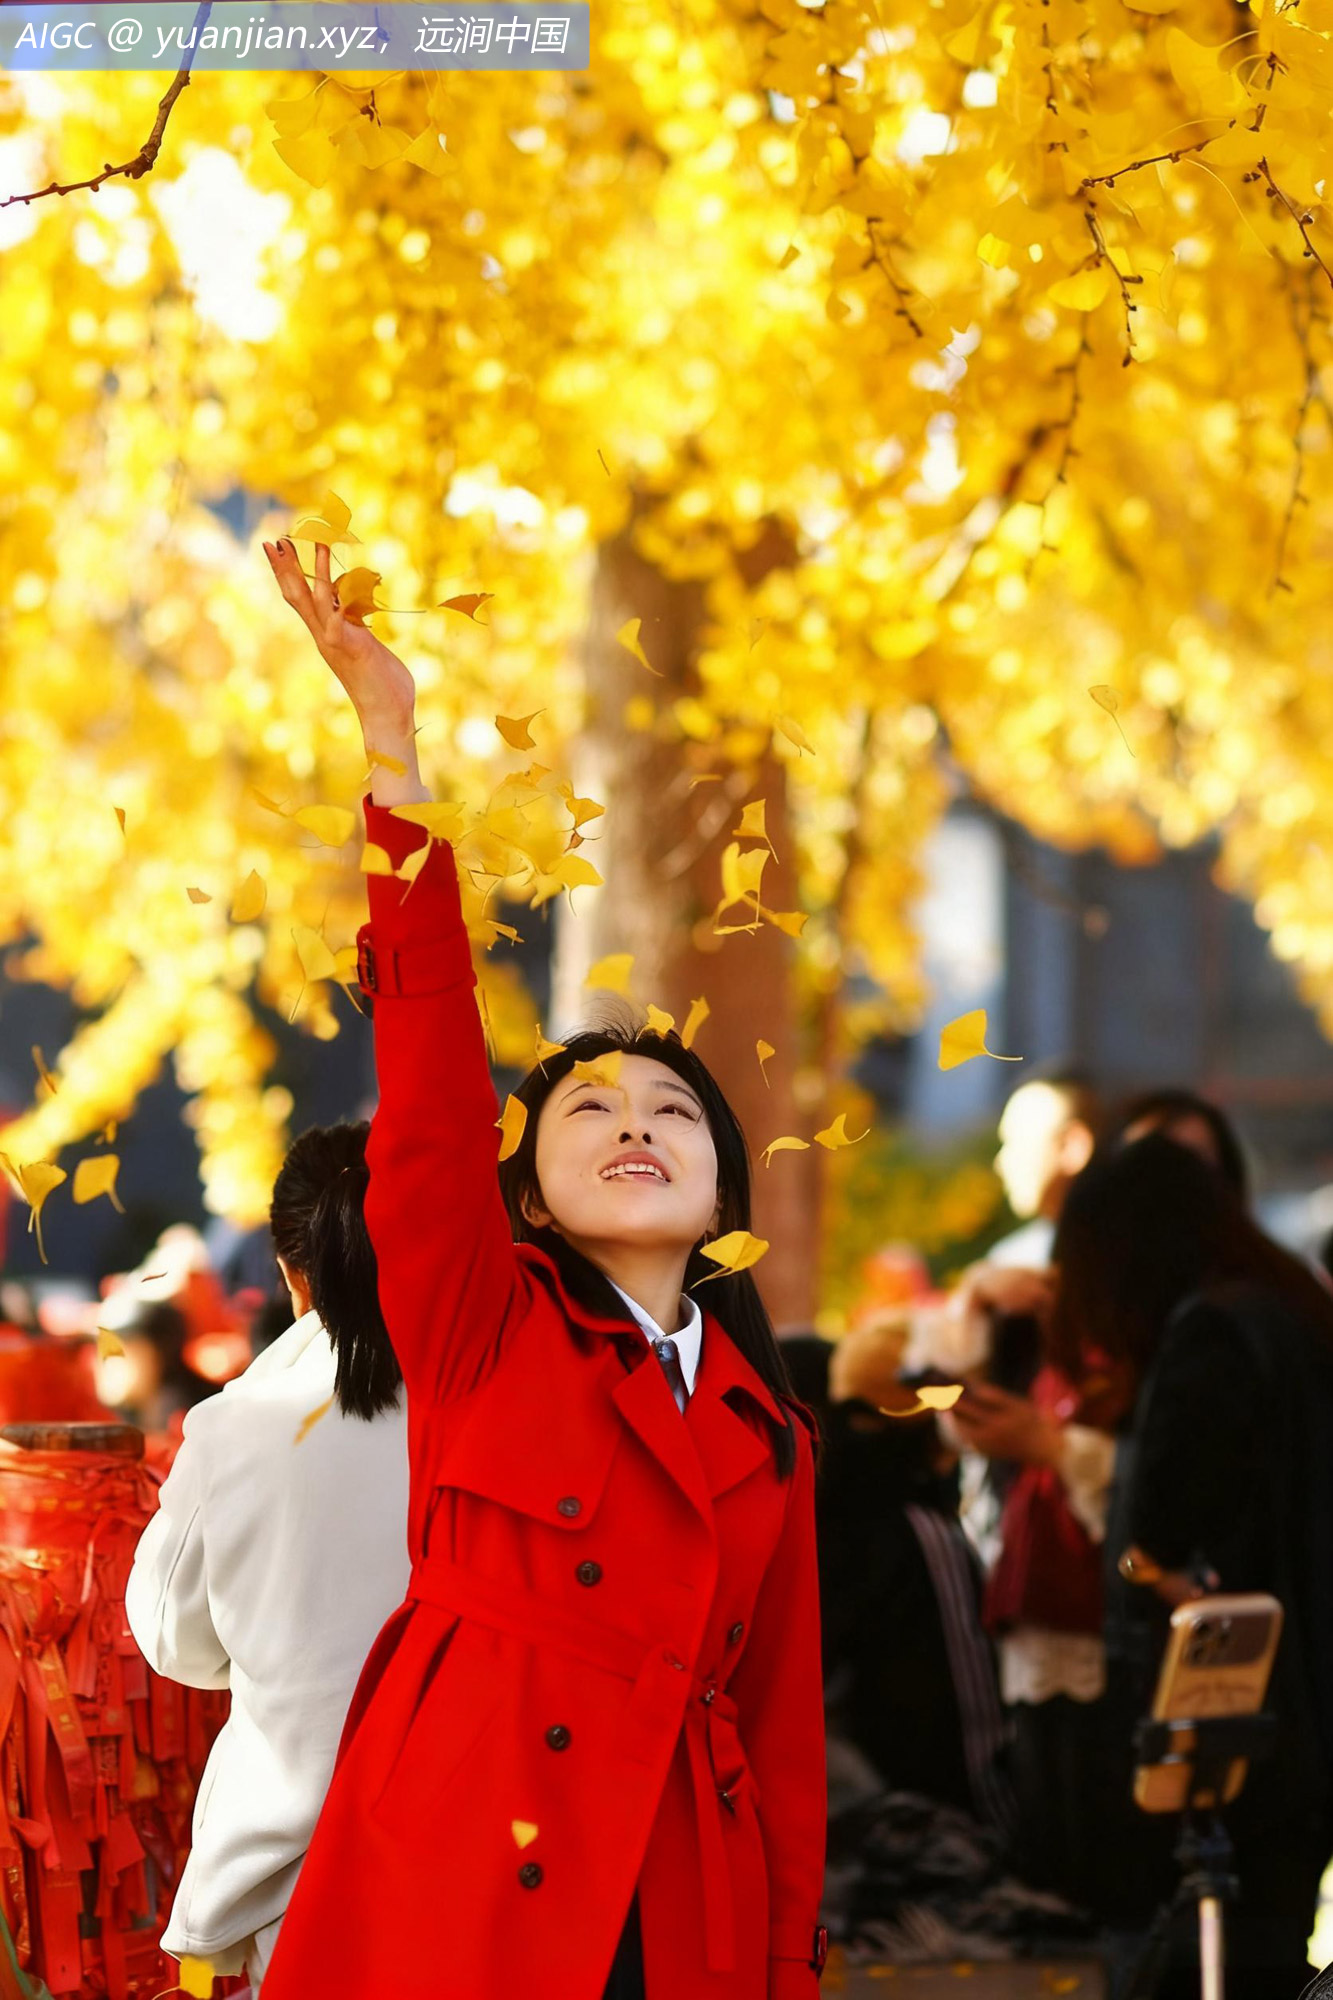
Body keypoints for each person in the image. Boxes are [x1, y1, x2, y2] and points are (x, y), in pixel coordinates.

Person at [253, 536, 827, 2000]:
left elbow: (781, 1744)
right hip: (467, 1869)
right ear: (529, 1194)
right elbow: (434, 1082)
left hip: (677, 1888)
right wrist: (393, 749)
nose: (636, 1125)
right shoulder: (479, 1321)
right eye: (591, 1110)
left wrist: (780, 1968)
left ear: (722, 1196)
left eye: (670, 1114)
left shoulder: (765, 1437)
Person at [124, 1122, 411, 1994]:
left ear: (291, 1277)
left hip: (288, 1873)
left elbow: (173, 1639)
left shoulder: (238, 1425)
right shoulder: (510, 1399)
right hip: (495, 1852)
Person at [1050, 1134, 1333, 1998]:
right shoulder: (1290, 1310)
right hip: (1308, 1707)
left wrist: (1140, 1565)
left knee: (1209, 1957)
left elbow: (1160, 1532)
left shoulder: (1206, 1332)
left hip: (1235, 1716)